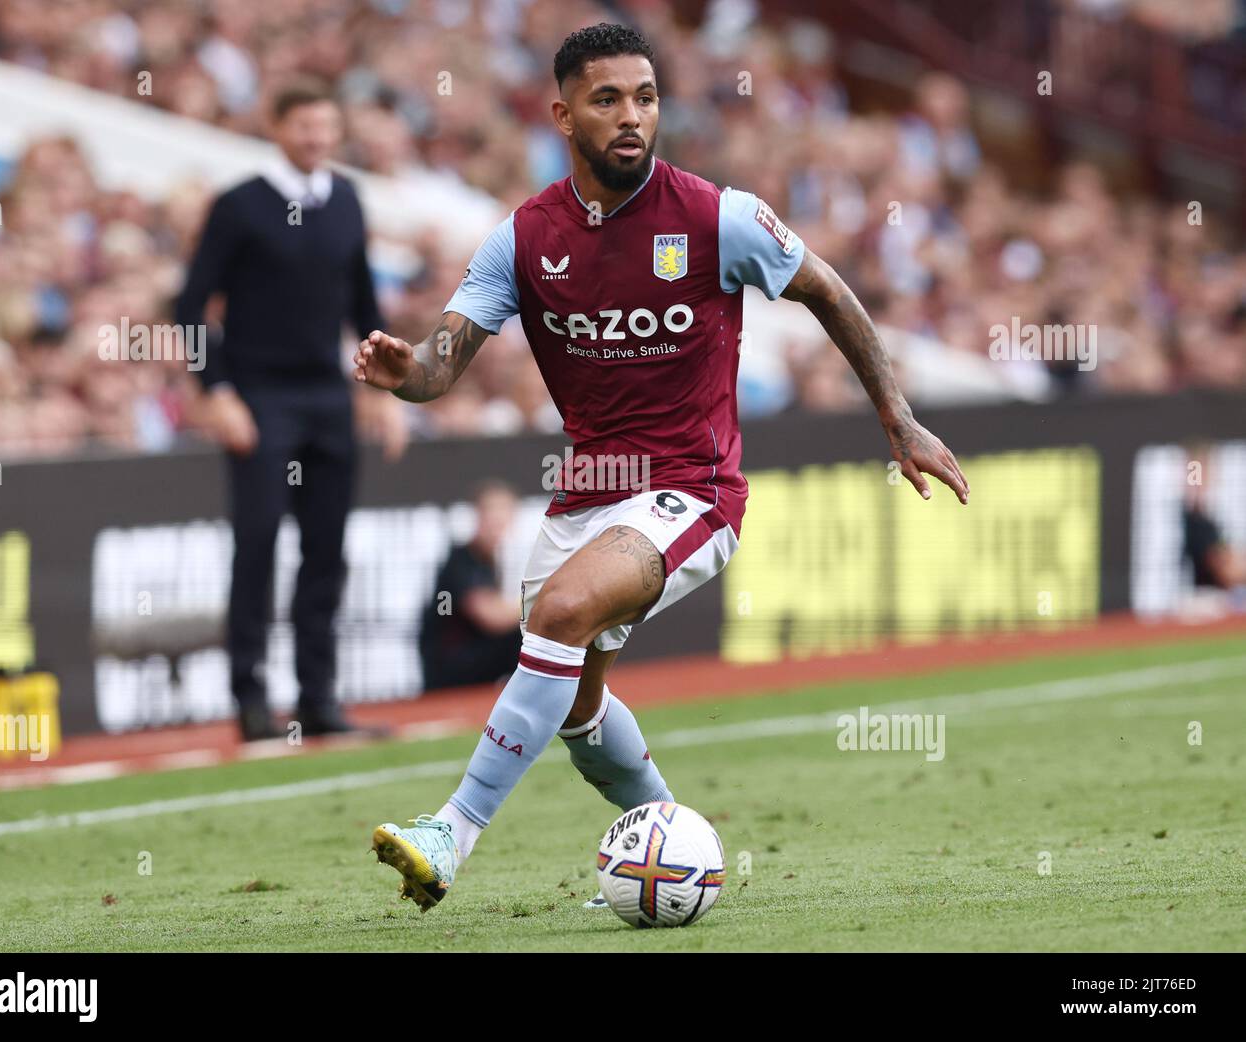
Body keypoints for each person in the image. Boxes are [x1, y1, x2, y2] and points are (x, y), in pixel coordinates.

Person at [353, 23, 969, 911]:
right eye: (608, 100)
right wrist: (404, 371)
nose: (633, 116)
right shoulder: (522, 241)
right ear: (561, 114)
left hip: (694, 488)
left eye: (645, 97)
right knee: (572, 706)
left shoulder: (717, 217)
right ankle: (679, 841)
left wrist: (897, 416)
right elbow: (441, 365)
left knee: (561, 612)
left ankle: (449, 833)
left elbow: (827, 289)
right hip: (587, 496)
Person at [177, 80, 381, 741]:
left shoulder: (347, 199)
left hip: (327, 397)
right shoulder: (240, 205)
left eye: (327, 126)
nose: (317, 139)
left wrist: (388, 392)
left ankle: (318, 699)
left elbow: (364, 306)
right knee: (257, 545)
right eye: (304, 127)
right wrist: (218, 391)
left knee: (327, 549)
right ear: (275, 127)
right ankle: (251, 702)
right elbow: (189, 305)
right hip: (259, 397)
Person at [419, 481, 523, 689]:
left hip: (469, 659)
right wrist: (539, 605)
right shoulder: (463, 559)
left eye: (504, 512)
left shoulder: (489, 561)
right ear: (478, 515)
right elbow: (490, 616)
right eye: (492, 512)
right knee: (524, 635)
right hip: (449, 666)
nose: (498, 520)